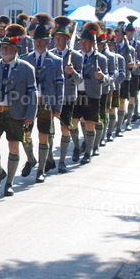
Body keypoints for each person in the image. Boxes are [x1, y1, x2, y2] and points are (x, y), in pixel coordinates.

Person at [0, 25, 37, 195]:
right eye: (2, 47)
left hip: (16, 113)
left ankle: (9, 182)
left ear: (15, 50)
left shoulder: (26, 68)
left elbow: (32, 93)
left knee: (13, 145)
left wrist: (30, 115)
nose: (4, 49)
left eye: (7, 47)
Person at [22, 14, 62, 182]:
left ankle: (41, 169)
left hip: (45, 103)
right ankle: (31, 159)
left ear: (48, 41)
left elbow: (60, 84)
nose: (38, 42)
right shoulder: (25, 60)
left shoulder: (56, 61)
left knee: (44, 136)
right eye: (36, 40)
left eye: (42, 40)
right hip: (28, 104)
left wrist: (58, 106)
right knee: (25, 136)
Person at [70, 22, 110, 165]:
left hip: (92, 95)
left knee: (90, 124)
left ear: (93, 43)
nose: (83, 44)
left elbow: (107, 80)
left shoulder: (101, 59)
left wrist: (102, 77)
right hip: (76, 95)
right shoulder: (74, 57)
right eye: (82, 41)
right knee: (72, 124)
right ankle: (76, 146)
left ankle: (88, 152)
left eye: (87, 42)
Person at [50, 17, 84, 173]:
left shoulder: (76, 56)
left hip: (68, 97)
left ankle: (63, 160)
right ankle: (48, 159)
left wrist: (72, 72)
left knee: (66, 128)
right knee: (48, 130)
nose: (57, 40)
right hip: (51, 98)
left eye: (60, 38)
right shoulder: (50, 55)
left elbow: (79, 79)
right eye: (55, 37)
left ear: (66, 39)